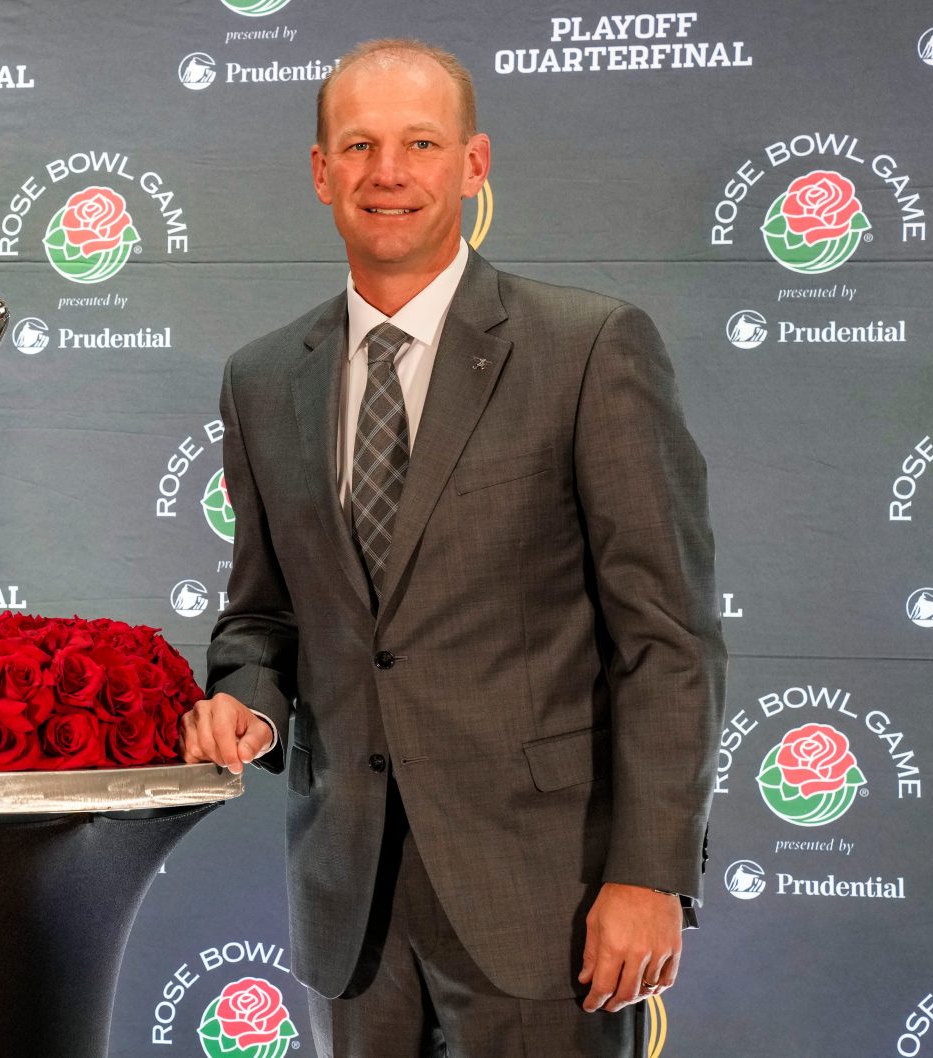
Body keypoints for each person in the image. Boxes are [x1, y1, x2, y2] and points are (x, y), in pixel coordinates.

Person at [180, 39, 725, 1058]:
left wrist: (649, 872)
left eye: (420, 143)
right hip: (351, 907)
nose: (389, 172)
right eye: (361, 144)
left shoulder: (589, 348)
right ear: (321, 171)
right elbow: (264, 613)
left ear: (473, 165)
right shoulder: (261, 378)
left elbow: (669, 640)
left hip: (547, 900)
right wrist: (248, 700)